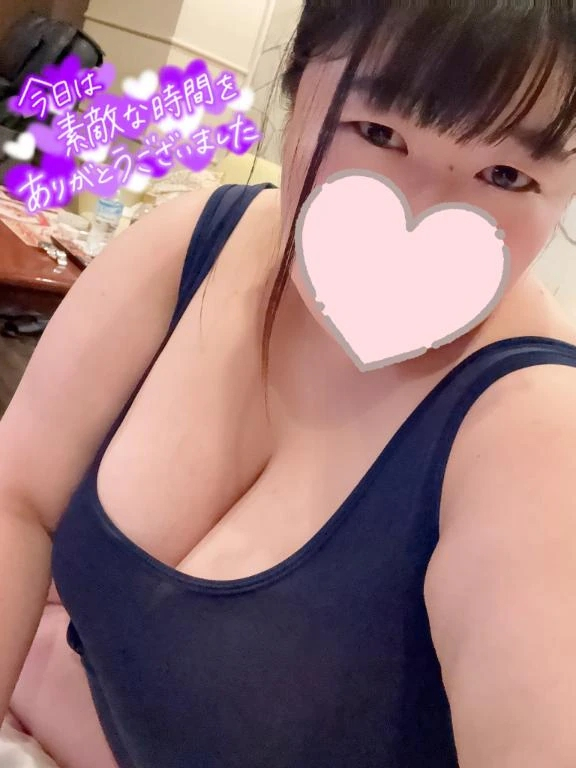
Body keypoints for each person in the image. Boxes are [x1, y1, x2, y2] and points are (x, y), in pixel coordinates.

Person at [2, 1, 576, 766]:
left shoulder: (540, 437)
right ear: (299, 83)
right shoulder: (194, 243)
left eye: (506, 175)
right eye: (378, 132)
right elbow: (17, 496)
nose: (420, 213)